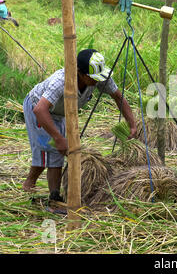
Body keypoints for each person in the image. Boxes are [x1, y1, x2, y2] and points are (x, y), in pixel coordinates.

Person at [22, 49, 138, 200]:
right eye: (93, 78)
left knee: (49, 151)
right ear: (79, 73)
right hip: (38, 108)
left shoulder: (100, 76)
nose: (97, 81)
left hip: (60, 112)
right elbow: (40, 109)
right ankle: (55, 198)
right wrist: (58, 138)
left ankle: (29, 184)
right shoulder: (61, 81)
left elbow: (118, 97)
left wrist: (132, 124)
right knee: (53, 150)